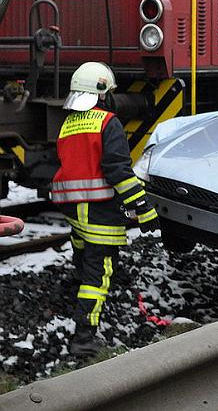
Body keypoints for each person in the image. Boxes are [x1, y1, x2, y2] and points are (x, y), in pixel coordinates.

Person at [51, 62, 159, 357]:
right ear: (103, 93)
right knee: (98, 275)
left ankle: (76, 296)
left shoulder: (69, 123)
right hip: (97, 209)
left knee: (84, 258)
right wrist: (143, 207)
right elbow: (119, 172)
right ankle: (84, 337)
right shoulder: (107, 122)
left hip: (73, 209)